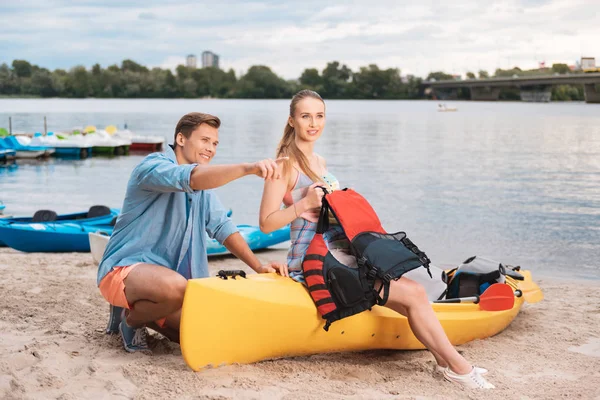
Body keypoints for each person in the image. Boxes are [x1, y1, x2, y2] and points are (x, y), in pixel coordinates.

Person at [258, 90, 495, 390]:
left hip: (343, 251)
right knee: (414, 295)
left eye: (319, 116)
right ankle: (460, 367)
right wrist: (303, 205)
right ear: (292, 120)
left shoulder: (319, 160)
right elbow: (266, 223)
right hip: (316, 261)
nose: (313, 123)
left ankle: (448, 363)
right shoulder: (283, 165)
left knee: (415, 294)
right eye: (305, 116)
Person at [97, 112, 288, 353]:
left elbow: (223, 228)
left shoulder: (203, 189)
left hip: (169, 282)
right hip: (124, 270)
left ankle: (129, 307)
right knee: (176, 288)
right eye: (204, 140)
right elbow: (189, 178)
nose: (211, 148)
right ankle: (131, 323)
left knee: (196, 334)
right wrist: (248, 168)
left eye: (215, 143)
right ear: (180, 139)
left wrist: (258, 266)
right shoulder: (151, 167)